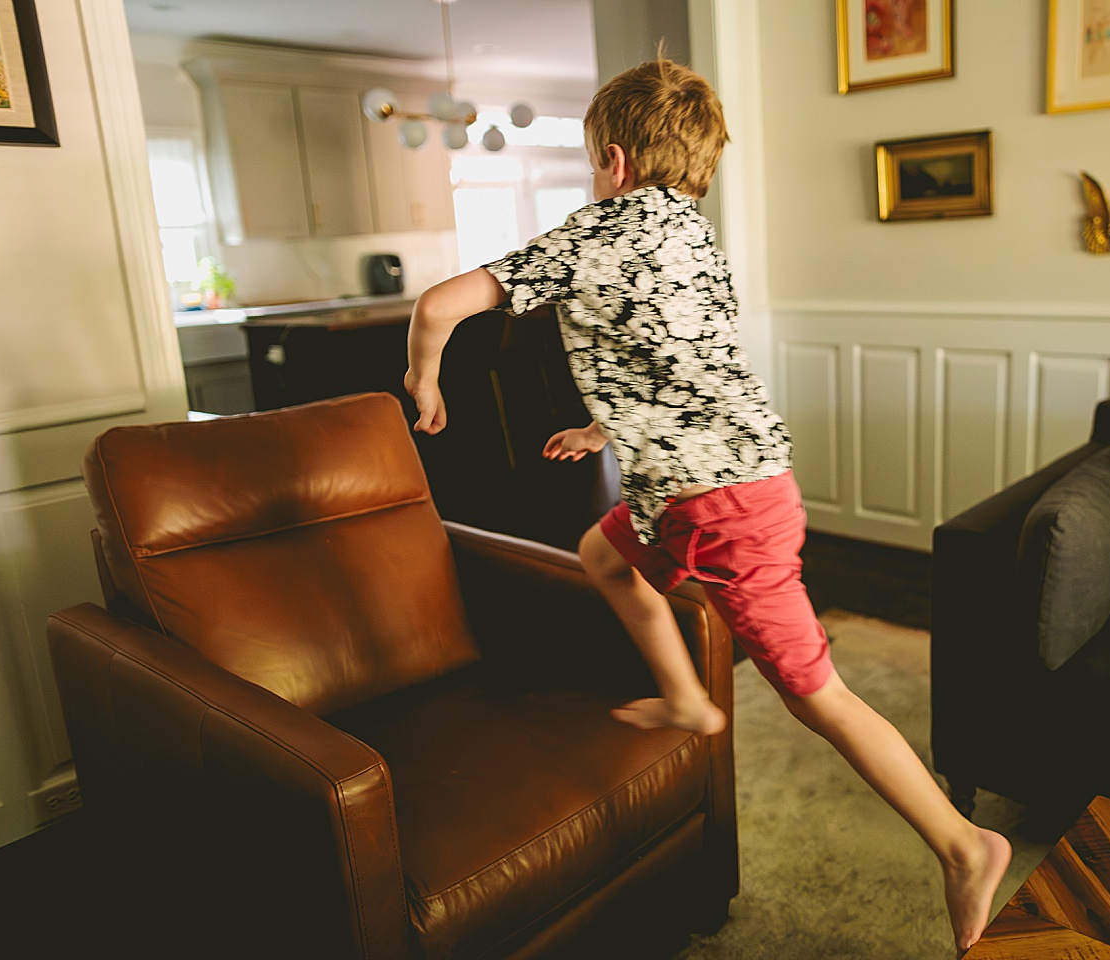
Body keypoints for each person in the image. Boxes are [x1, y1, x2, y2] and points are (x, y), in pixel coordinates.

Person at [403, 55, 1011, 956]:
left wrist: (424, 381)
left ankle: (964, 845)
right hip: (705, 492)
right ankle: (691, 701)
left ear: (612, 160)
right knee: (603, 555)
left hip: (726, 510)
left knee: (819, 697)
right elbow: (683, 364)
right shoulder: (694, 238)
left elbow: (440, 304)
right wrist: (606, 425)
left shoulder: (594, 231)